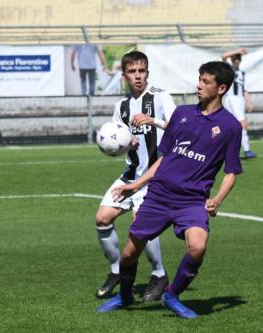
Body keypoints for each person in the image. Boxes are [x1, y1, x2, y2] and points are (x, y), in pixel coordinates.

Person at [97, 61, 242, 318]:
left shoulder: (230, 127)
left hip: (192, 200)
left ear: (221, 88)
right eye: (199, 79)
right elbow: (164, 158)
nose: (198, 85)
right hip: (160, 195)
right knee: (130, 253)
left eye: (205, 81)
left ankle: (172, 295)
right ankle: (125, 296)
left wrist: (218, 199)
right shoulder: (182, 114)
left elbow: (231, 171)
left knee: (198, 246)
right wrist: (136, 185)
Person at [95, 51, 176, 301]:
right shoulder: (121, 106)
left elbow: (180, 128)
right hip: (130, 174)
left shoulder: (160, 97)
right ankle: (117, 271)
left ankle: (159, 275)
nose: (137, 76)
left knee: (141, 224)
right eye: (132, 72)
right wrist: (125, 144)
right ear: (124, 76)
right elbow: (118, 137)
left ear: (147, 73)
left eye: (141, 71)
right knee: (102, 218)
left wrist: (154, 121)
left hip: (154, 176)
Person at [222, 48, 256, 158]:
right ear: (232, 60)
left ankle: (229, 150)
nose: (237, 60)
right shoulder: (228, 70)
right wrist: (238, 51)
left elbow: (244, 89)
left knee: (233, 125)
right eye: (235, 58)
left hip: (239, 99)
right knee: (241, 124)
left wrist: (249, 102)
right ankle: (246, 150)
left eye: (238, 59)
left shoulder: (242, 73)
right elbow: (224, 55)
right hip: (232, 98)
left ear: (240, 61)